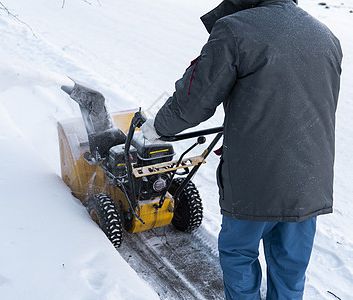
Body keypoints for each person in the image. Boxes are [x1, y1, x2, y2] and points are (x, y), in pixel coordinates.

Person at [141, 0, 342, 298]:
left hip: (257, 177)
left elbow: (195, 101)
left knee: (239, 255)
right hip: (310, 178)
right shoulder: (327, 37)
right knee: (290, 266)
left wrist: (158, 127)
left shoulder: (235, 30)